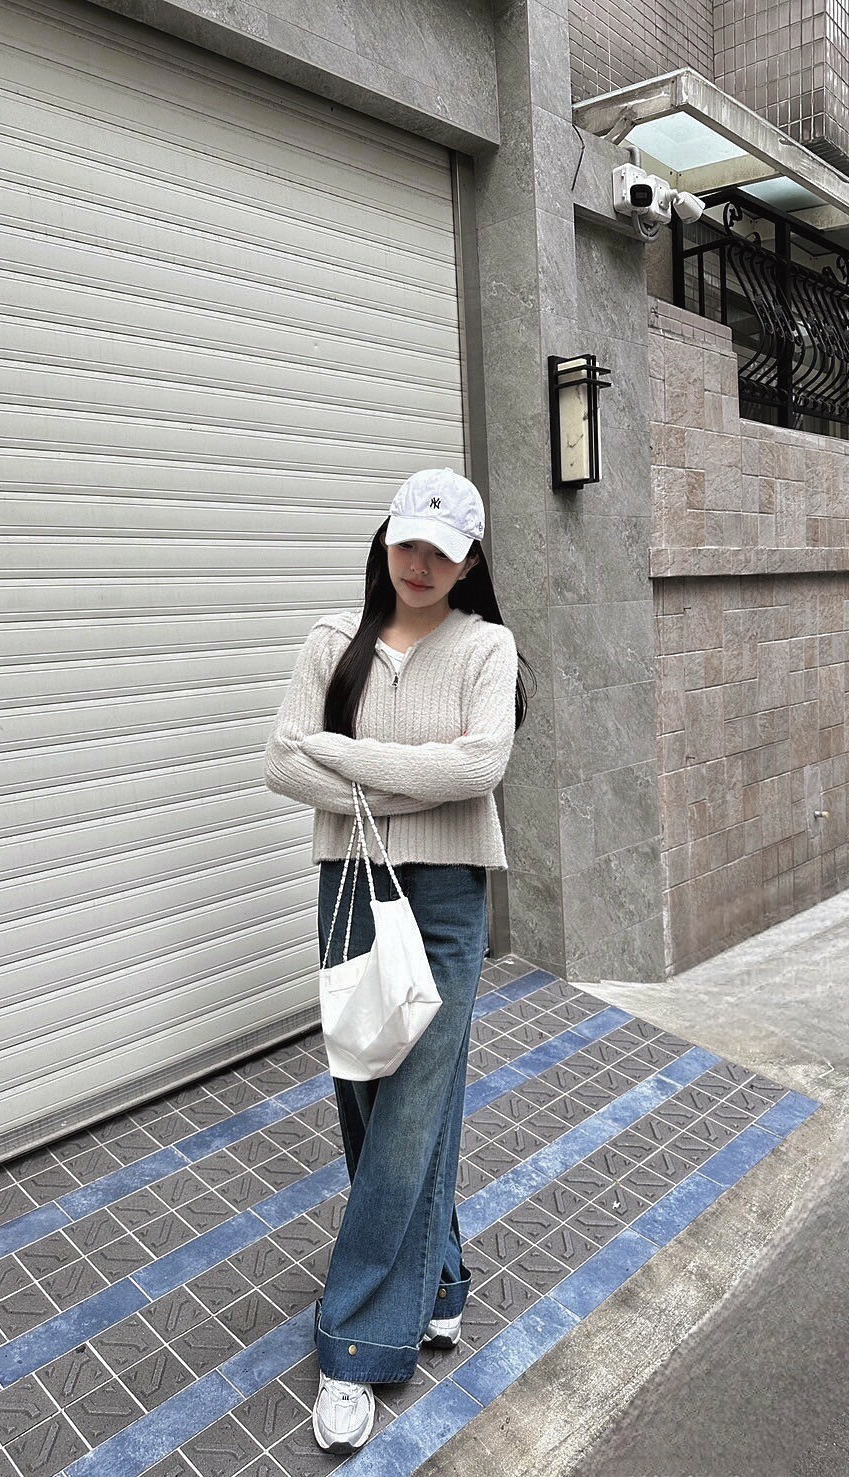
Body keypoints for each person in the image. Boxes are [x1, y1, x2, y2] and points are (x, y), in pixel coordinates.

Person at [263, 467, 535, 1454]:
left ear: (469, 561)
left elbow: (481, 766)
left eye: (442, 551)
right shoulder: (331, 641)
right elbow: (280, 760)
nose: (420, 564)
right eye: (408, 542)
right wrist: (413, 781)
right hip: (350, 882)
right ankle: (442, 1278)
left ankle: (357, 1343)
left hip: (450, 894)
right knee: (367, 1093)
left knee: (415, 1101)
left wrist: (345, 759)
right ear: (387, 540)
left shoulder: (488, 647)